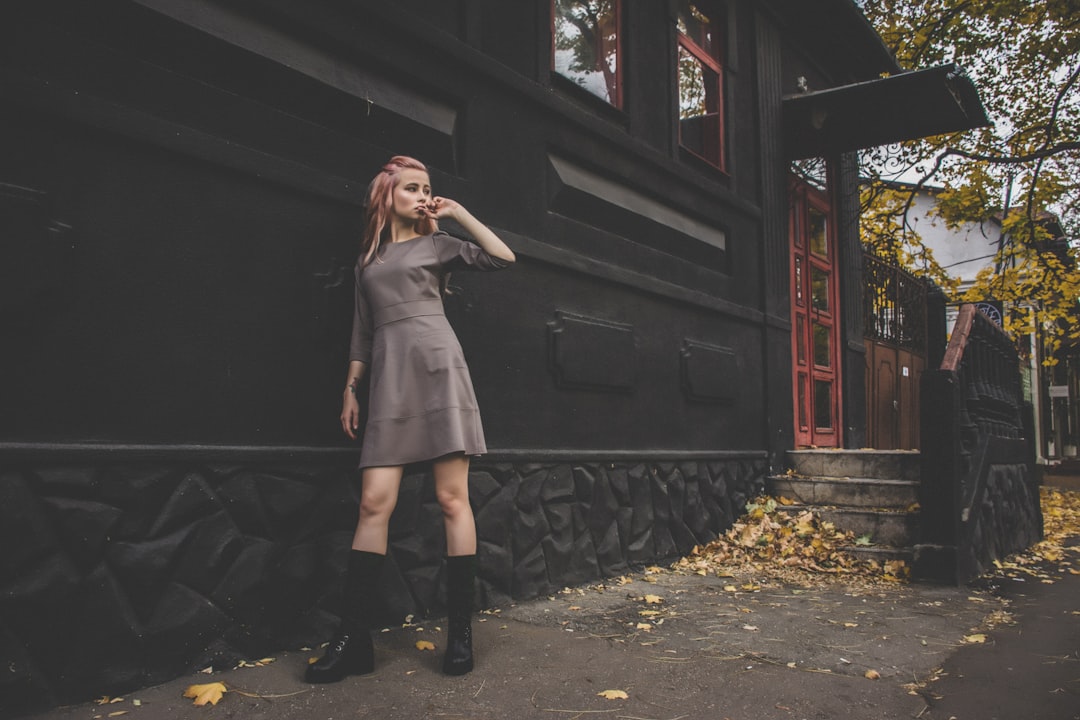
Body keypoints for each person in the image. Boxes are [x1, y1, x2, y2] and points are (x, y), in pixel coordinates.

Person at [306, 156, 515, 684]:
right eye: (413, 188)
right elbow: (363, 332)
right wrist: (351, 389)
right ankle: (354, 641)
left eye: (428, 188)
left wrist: (458, 212)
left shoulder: (438, 244)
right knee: (375, 501)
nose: (423, 194)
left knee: (452, 500)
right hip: (390, 379)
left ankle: (460, 636)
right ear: (388, 195)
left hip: (440, 367)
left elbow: (502, 257)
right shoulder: (368, 260)